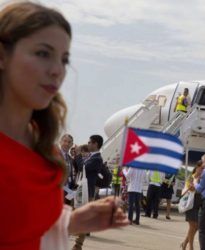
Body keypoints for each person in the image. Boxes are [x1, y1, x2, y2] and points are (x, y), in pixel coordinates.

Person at [0, 2, 128, 250]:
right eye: (43, 54)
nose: (57, 70)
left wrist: (70, 222)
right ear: (3, 55)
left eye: (64, 59)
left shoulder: (43, 144)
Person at [72, 134, 104, 250]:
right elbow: (78, 167)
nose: (88, 144)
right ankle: (77, 242)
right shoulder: (90, 156)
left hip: (87, 192)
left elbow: (83, 167)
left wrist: (79, 154)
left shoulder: (97, 158)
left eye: (90, 142)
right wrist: (77, 156)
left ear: (95, 144)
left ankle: (78, 244)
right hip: (82, 189)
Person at [180, 160, 204, 250]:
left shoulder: (203, 179)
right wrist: (196, 187)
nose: (203, 170)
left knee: (196, 226)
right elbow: (192, 189)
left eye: (204, 169)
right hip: (190, 204)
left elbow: (200, 190)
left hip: (199, 204)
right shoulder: (191, 177)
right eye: (202, 168)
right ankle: (191, 247)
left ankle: (185, 243)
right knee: (192, 226)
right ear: (197, 167)